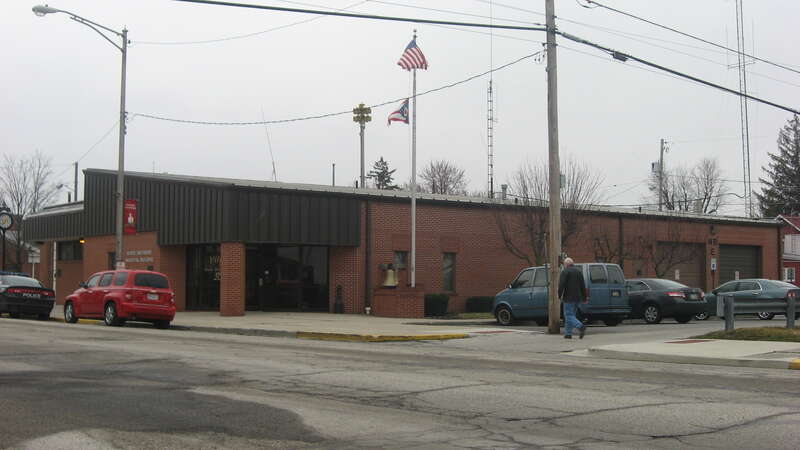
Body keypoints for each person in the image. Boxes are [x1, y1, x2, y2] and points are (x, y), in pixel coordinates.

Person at [558, 257, 589, 339]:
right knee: (572, 315)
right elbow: (583, 286)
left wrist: (559, 294)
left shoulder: (565, 272)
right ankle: (568, 333)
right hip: (578, 298)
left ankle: (580, 326)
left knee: (568, 315)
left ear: (566, 264)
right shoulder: (579, 272)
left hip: (568, 297)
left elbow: (561, 285)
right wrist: (584, 298)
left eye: (564, 265)